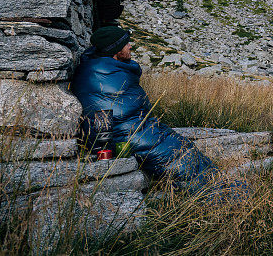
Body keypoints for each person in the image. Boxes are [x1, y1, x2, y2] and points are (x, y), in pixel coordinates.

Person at [70, 26, 219, 191]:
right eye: (126, 44)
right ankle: (215, 195)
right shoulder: (98, 74)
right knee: (178, 160)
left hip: (137, 127)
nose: (130, 46)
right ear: (116, 50)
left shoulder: (107, 68)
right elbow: (110, 115)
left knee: (184, 148)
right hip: (125, 135)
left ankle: (216, 185)